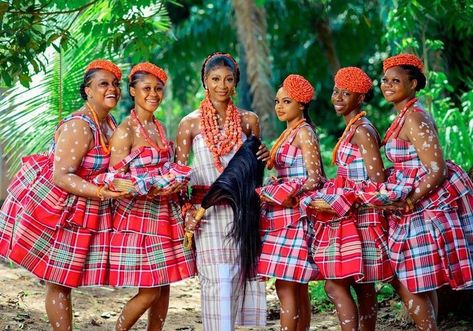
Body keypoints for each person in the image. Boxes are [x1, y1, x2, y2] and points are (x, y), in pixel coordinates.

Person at [0, 59, 127, 330]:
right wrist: (100, 191)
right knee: (59, 280)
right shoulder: (80, 125)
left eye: (115, 83)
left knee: (67, 278)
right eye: (103, 83)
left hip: (85, 206)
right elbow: (62, 175)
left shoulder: (109, 123)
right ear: (87, 91)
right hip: (58, 207)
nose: (112, 89)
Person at [175, 52, 268, 330]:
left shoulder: (248, 120)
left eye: (228, 79)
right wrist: (188, 212)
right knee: (217, 279)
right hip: (207, 212)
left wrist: (265, 154)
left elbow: (254, 168)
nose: (221, 85)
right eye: (215, 79)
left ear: (235, 82)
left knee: (238, 277)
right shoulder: (189, 124)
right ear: (205, 81)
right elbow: (179, 176)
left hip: (242, 212)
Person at [379, 53, 473, 331]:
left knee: (410, 276)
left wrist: (410, 199)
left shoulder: (415, 118)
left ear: (413, 84)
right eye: (385, 80)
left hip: (425, 206)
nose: (388, 85)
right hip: (411, 203)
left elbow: (437, 170)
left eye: (396, 81)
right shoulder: (403, 116)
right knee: (419, 278)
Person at [99, 62, 196, 331]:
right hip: (138, 219)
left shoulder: (160, 127)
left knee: (163, 287)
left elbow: (171, 167)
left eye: (158, 89)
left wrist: (175, 182)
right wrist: (151, 185)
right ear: (132, 91)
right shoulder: (125, 131)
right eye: (146, 88)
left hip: (164, 214)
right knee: (150, 290)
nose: (153, 94)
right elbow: (116, 180)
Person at [306, 67, 393, 331]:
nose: (338, 97)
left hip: (362, 216)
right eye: (336, 91)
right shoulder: (353, 128)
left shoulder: (362, 131)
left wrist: (341, 198)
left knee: (335, 284)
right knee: (363, 285)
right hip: (352, 216)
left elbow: (377, 182)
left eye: (347, 93)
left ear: (361, 98)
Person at [256, 74, 323, 331]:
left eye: (287, 101)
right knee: (295, 285)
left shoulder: (304, 132)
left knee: (285, 284)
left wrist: (285, 192)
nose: (279, 106)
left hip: (295, 215)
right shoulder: (288, 132)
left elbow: (315, 178)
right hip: (283, 213)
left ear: (302, 104)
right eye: (277, 101)